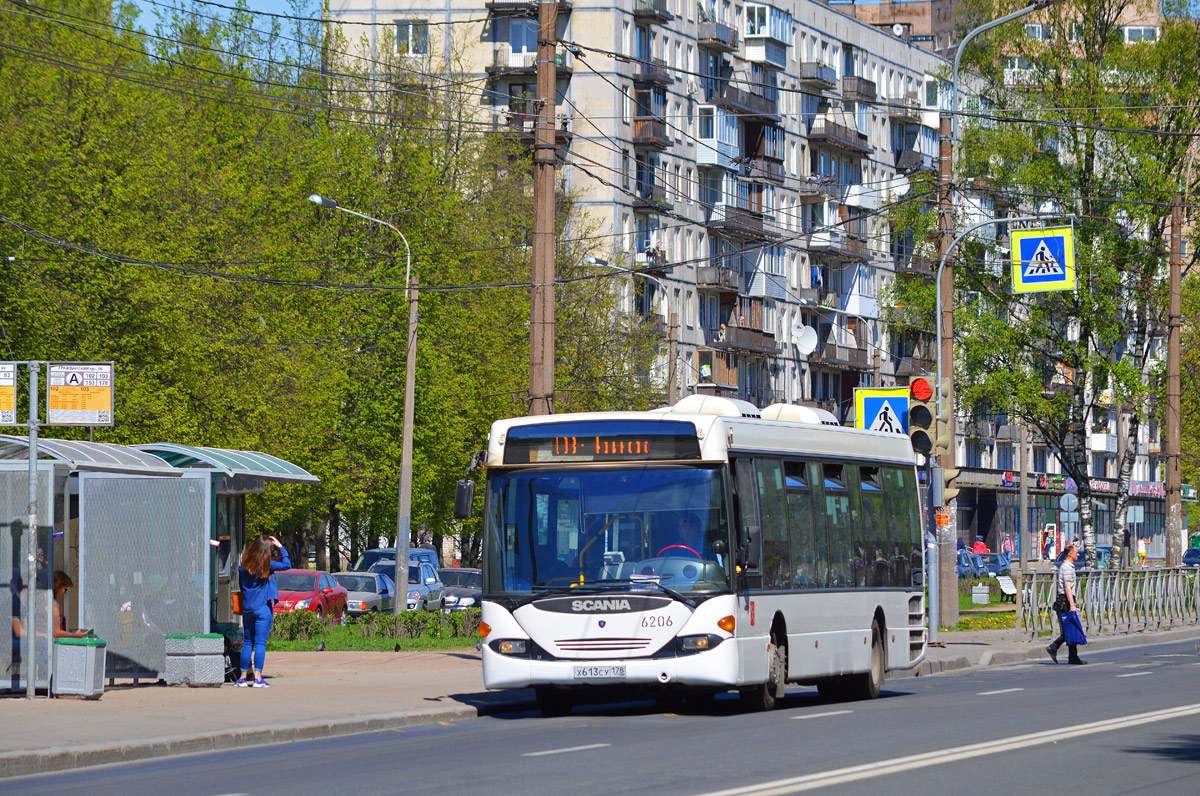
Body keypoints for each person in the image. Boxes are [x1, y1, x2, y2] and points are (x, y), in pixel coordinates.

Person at [237, 534, 290, 688]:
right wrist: (281, 547)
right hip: (263, 609)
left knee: (248, 642)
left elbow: (242, 586)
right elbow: (287, 564)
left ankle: (242, 678)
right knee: (260, 643)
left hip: (248, 608)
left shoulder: (243, 566)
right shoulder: (267, 565)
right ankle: (258, 678)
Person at [1046, 544, 1087, 665]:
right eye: (1076, 552)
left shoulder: (1068, 566)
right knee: (1070, 628)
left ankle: (1073, 657)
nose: (1078, 554)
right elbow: (1067, 587)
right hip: (1066, 600)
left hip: (1066, 599)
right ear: (1070, 554)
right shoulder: (1067, 568)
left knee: (1071, 627)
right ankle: (1054, 646)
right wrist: (1072, 604)